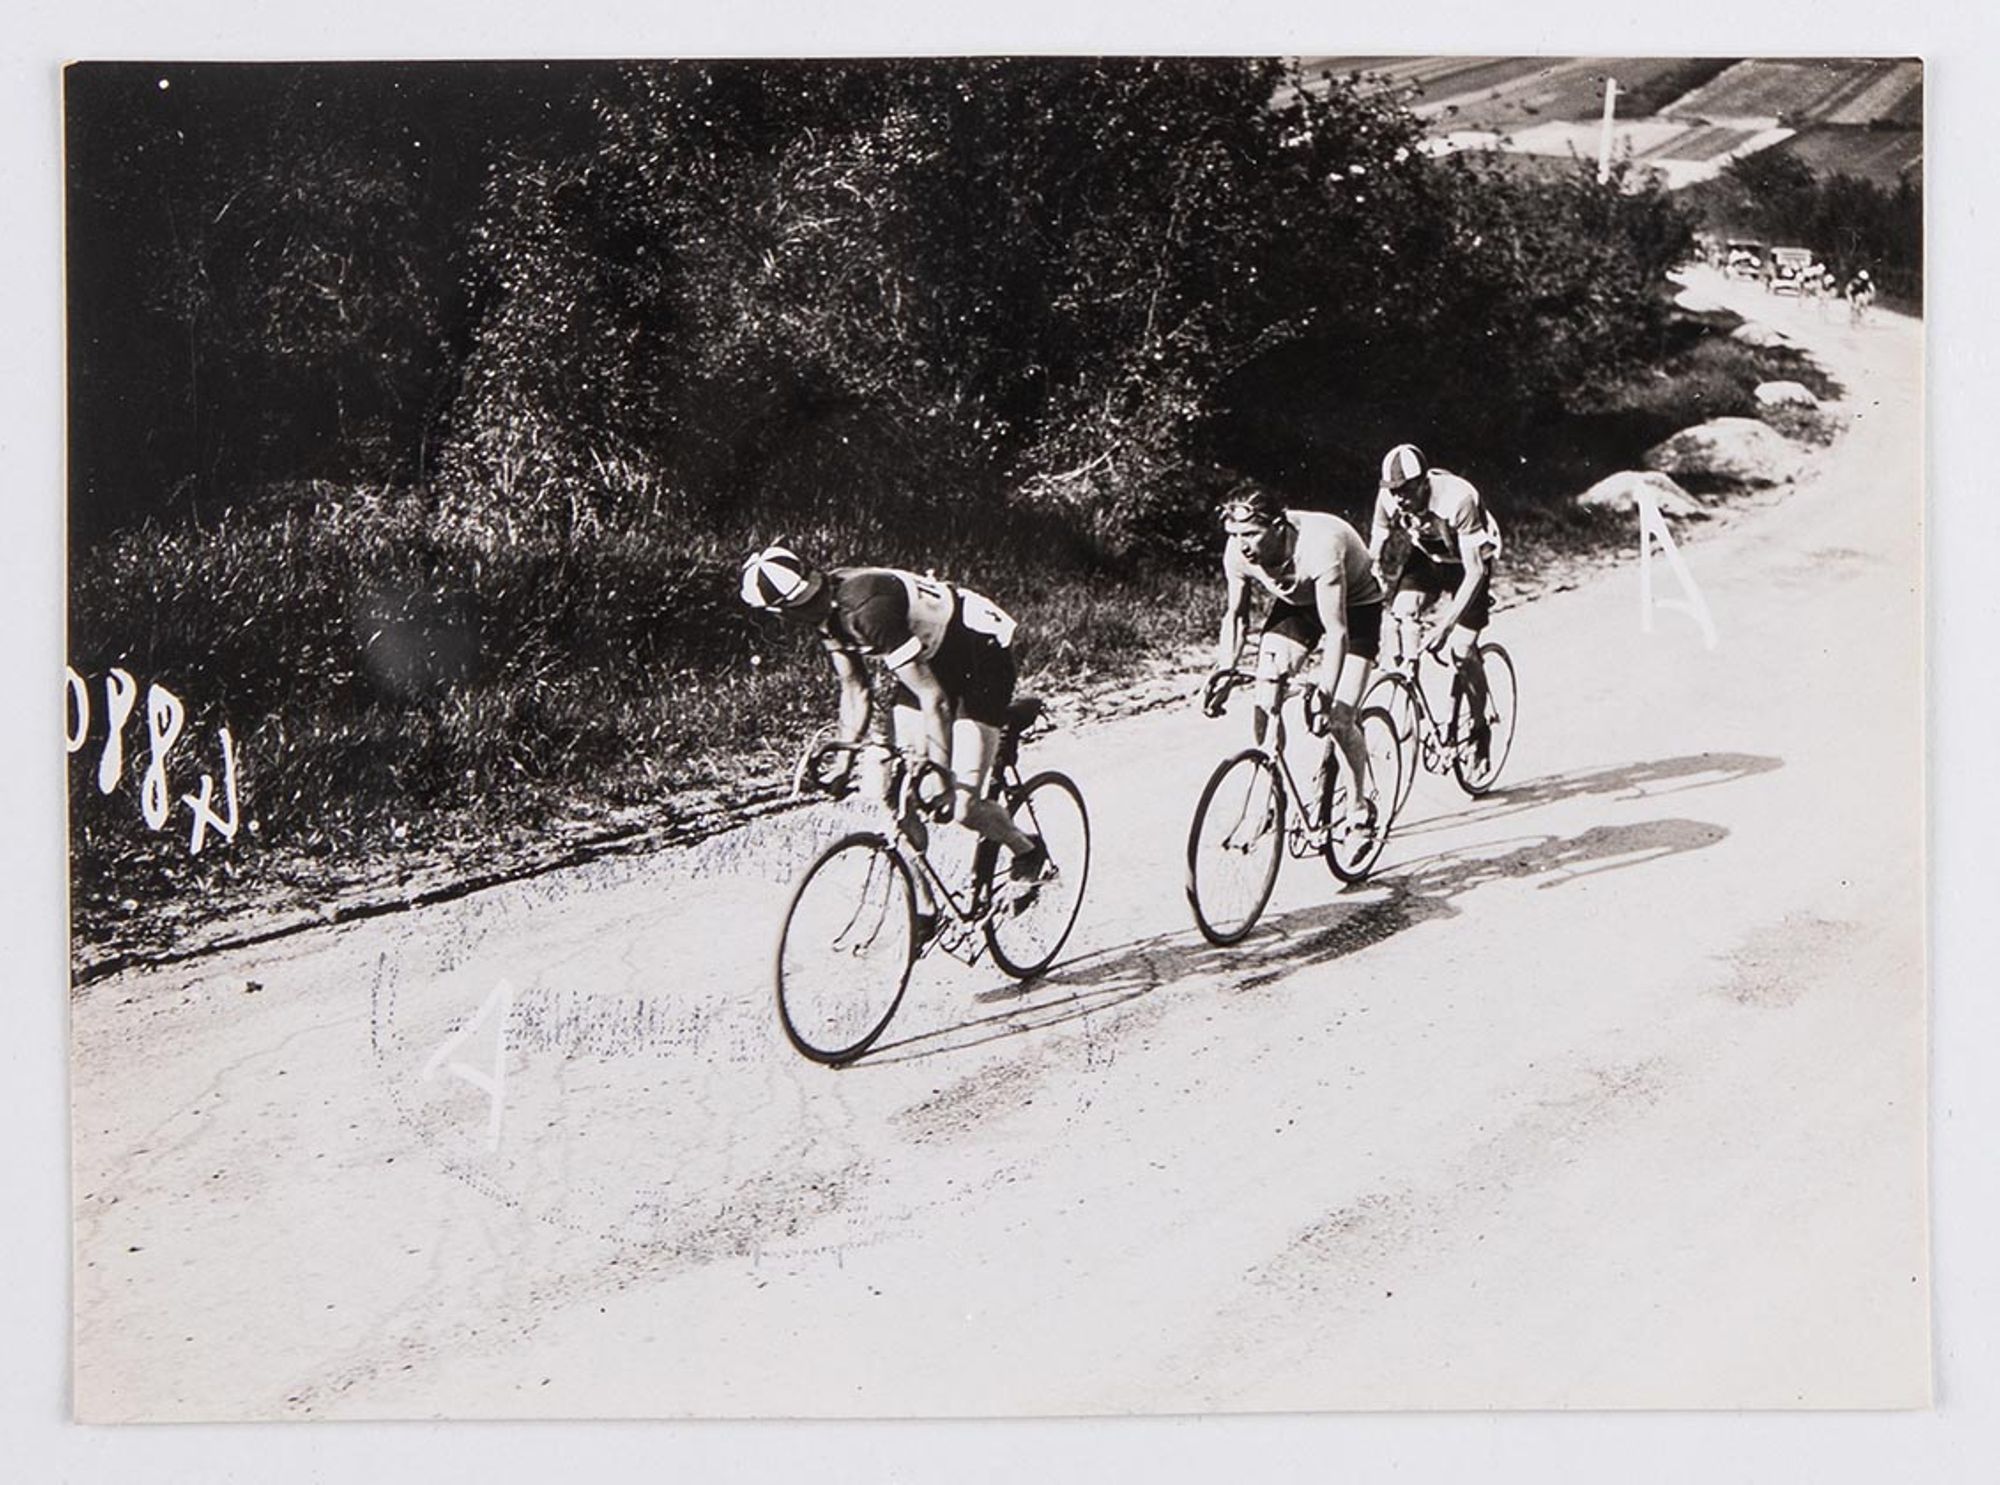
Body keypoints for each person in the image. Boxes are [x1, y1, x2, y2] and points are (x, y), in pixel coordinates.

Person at [740, 544, 1050, 887]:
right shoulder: (822, 610)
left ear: (779, 611)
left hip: (980, 649)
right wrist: (842, 764)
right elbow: (855, 690)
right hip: (934, 657)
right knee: (891, 788)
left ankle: (1027, 849)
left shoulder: (865, 610)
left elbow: (934, 700)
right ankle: (924, 910)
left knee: (964, 807)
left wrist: (943, 779)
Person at [1210, 484, 1385, 843]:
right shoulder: (1237, 551)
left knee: (1338, 717)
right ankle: (1269, 793)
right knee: (1266, 693)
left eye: (1252, 534)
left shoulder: (1320, 546)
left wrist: (1324, 691)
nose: (1242, 544)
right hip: (1298, 605)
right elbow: (1236, 617)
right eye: (1235, 534)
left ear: (1279, 526)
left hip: (1355, 607)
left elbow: (1338, 633)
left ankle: (1359, 806)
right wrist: (1224, 670)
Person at [1368, 443, 1504, 763]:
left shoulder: (1458, 499)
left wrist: (1444, 625)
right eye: (1394, 491)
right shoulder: (1389, 497)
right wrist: (1372, 573)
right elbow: (1375, 547)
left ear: (1424, 483)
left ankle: (1480, 727)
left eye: (1407, 490)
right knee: (1401, 614)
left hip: (1468, 563)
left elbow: (1474, 572)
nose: (1400, 498)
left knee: (1461, 650)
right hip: (1429, 556)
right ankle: (1408, 686)